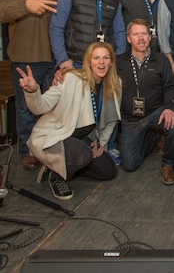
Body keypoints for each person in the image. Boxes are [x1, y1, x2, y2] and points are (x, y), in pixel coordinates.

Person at [0, 0, 104, 171]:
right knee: (26, 107)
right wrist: (25, 5)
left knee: (55, 106)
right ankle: (29, 150)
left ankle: (51, 144)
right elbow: (2, 11)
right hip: (27, 56)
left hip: (58, 56)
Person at [16, 42, 120, 200]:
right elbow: (40, 107)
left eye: (105, 58)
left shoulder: (114, 84)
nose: (101, 62)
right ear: (88, 61)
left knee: (108, 171)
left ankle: (55, 165)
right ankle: (56, 176)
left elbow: (112, 119)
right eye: (96, 58)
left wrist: (102, 143)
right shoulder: (71, 79)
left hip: (81, 137)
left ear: (111, 61)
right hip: (56, 134)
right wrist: (34, 91)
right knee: (83, 155)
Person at [116, 19, 174, 185]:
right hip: (130, 119)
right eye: (136, 34)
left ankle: (168, 165)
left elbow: (170, 87)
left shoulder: (161, 61)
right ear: (129, 38)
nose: (141, 38)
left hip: (155, 113)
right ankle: (152, 137)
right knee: (129, 164)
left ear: (150, 36)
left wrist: (169, 108)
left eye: (144, 33)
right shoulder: (118, 62)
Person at [49, 0, 127, 71]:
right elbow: (56, 28)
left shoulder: (115, 1)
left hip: (104, 66)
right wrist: (63, 59)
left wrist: (117, 60)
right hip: (76, 64)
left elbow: (119, 32)